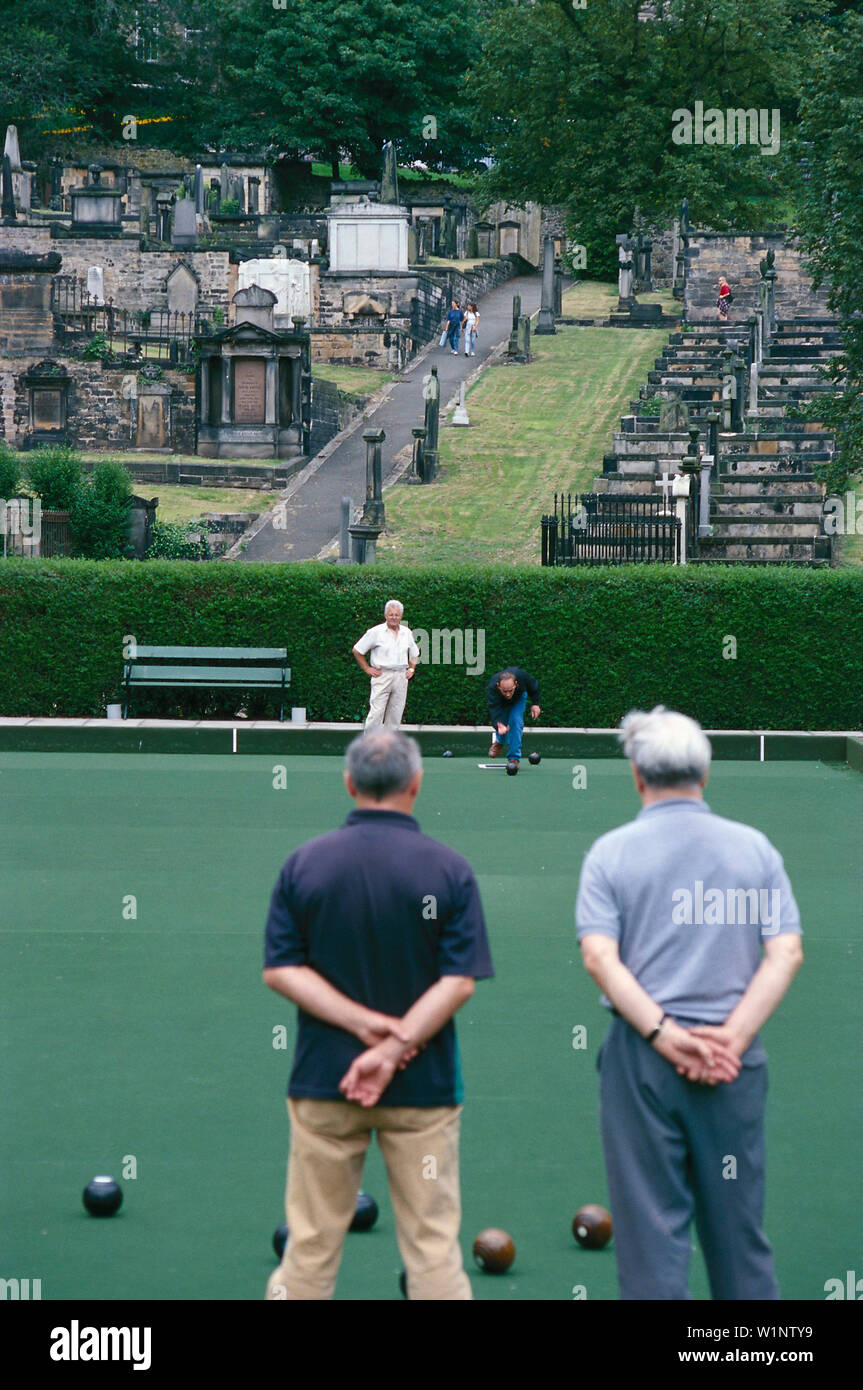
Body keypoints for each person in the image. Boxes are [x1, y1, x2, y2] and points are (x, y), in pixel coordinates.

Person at [576, 706, 803, 1301]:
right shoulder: (755, 850)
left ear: (636, 775)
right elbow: (785, 953)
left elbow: (601, 958)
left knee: (651, 1242)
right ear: (705, 774)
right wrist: (731, 1037)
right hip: (733, 1063)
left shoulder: (610, 854)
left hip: (642, 1061)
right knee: (739, 1238)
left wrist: (663, 1036)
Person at [263, 729, 494, 1300]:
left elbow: (282, 970)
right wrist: (394, 1047)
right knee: (433, 1247)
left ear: (349, 783)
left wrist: (362, 1029)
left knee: (310, 1246)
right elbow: (458, 981)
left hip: (326, 1082)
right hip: (424, 1091)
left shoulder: (305, 864)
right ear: (417, 784)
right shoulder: (449, 870)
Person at [352, 600, 419, 729]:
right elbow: (357, 650)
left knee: (395, 714)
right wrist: (366, 668)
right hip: (382, 676)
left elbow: (415, 653)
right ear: (385, 615)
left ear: (401, 616)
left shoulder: (407, 632)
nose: (394, 617)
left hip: (401, 677)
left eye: (397, 615)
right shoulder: (375, 632)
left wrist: (411, 669)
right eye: (391, 614)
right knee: (376, 714)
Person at [485, 666, 541, 768]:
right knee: (502, 723)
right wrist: (498, 724)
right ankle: (499, 742)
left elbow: (534, 686)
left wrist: (535, 704)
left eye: (510, 690)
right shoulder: (492, 688)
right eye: (504, 691)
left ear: (516, 684)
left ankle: (514, 758)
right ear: (498, 686)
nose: (508, 694)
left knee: (516, 721)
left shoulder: (522, 677)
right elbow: (493, 710)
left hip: (518, 699)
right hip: (500, 702)